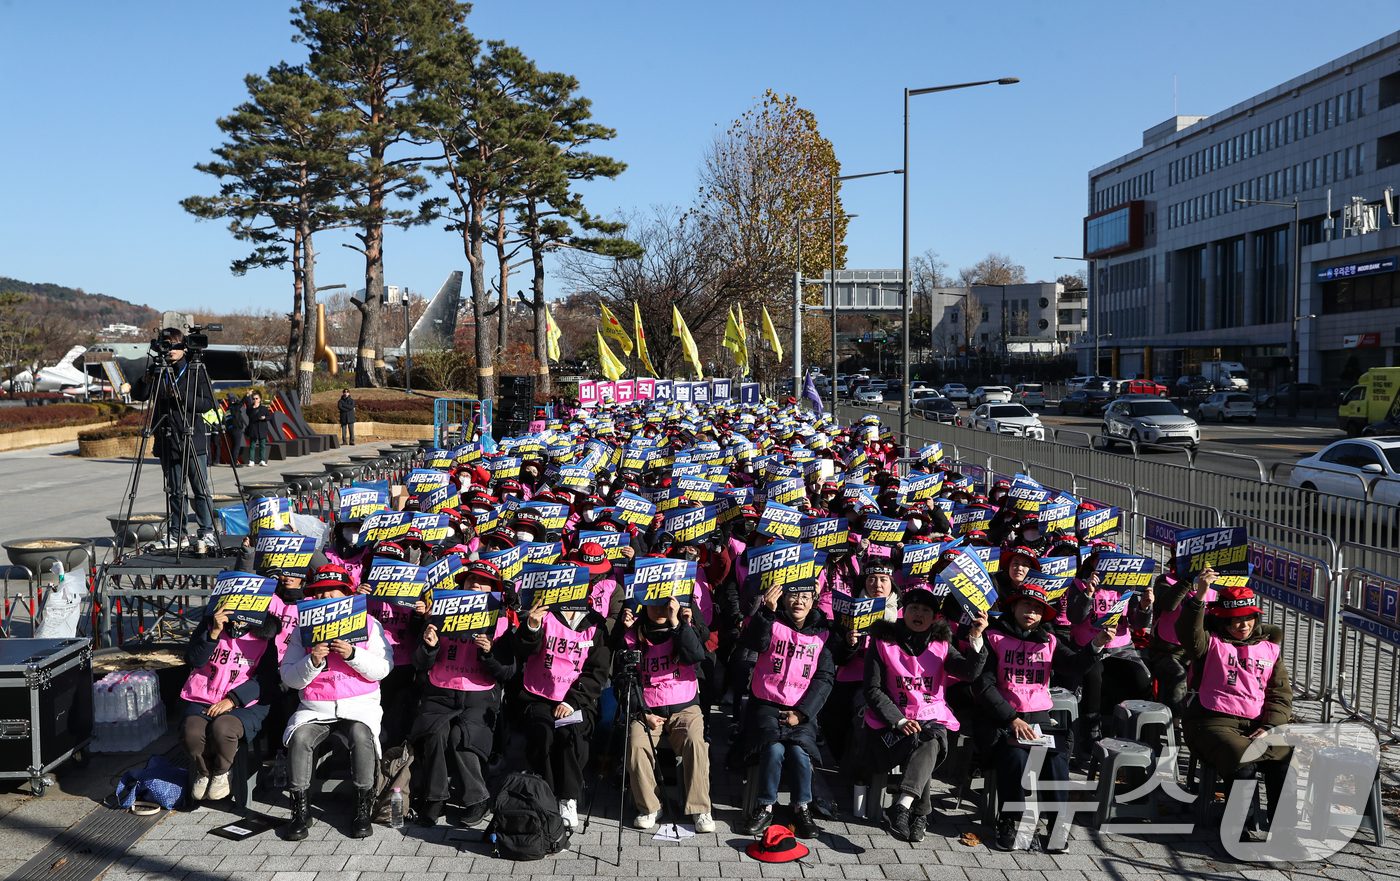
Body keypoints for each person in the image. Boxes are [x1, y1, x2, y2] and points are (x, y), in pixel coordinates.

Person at [974, 581, 1109, 852]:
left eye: (1038, 608)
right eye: (1026, 605)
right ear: (1013, 607)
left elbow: (1073, 665)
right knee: (1015, 757)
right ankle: (1011, 820)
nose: (1031, 612)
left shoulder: (1049, 639)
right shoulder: (993, 636)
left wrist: (1096, 644)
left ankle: (1057, 825)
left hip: (1039, 718)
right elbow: (983, 686)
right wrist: (1012, 719)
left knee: (1057, 757)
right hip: (1003, 719)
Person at [863, 586, 988, 842]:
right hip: (892, 722)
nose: (918, 614)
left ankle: (901, 806)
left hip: (931, 718)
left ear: (935, 618)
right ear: (903, 611)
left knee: (928, 739)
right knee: (925, 743)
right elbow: (872, 689)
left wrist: (976, 638)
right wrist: (898, 720)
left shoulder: (941, 644)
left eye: (926, 610)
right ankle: (919, 814)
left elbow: (968, 673)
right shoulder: (883, 641)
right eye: (913, 608)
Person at [279, 567, 394, 841]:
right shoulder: (302, 629)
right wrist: (313, 661)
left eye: (332, 594)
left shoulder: (369, 624)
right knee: (300, 738)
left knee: (361, 734)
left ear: (347, 596)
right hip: (314, 708)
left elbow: (383, 667)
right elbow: (289, 676)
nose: (325, 599)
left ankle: (362, 806)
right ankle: (300, 808)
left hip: (359, 705)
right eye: (319, 595)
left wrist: (353, 654)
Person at [1176, 578, 1295, 829]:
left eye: (1249, 617)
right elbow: (1188, 632)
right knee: (1242, 760)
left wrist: (1270, 726)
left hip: (1257, 724)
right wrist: (1200, 597)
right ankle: (1239, 830)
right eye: (1235, 619)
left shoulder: (1269, 649)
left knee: (1284, 759)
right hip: (1210, 722)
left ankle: (1283, 830)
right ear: (1222, 619)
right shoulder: (1209, 643)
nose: (1243, 625)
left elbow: (1280, 695)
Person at [410, 560, 515, 827]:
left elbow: (506, 672)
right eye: (470, 581)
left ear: (493, 590)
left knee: (461, 736)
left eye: (483, 583)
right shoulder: (439, 614)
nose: (475, 586)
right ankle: (434, 798)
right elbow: (420, 663)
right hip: (440, 690)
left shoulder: (501, 620)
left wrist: (489, 654)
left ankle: (477, 798)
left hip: (480, 694)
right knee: (435, 732)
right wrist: (429, 646)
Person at [735, 584, 835, 839]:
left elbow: (824, 679)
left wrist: (801, 714)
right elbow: (753, 641)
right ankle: (765, 806)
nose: (798, 602)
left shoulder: (823, 634)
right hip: (766, 704)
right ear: (783, 597)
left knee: (800, 752)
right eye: (793, 596)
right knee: (774, 748)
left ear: (813, 601)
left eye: (804, 597)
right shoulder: (773, 620)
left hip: (802, 710)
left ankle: (801, 807)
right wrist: (766, 612)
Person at [510, 592, 612, 828]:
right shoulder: (543, 614)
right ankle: (546, 794)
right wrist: (531, 627)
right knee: (543, 732)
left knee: (569, 735)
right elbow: (522, 651)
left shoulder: (596, 623)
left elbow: (597, 672)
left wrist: (572, 702)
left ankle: (568, 798)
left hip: (576, 699)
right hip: (539, 695)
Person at [613, 595, 714, 833]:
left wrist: (678, 624)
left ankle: (699, 808)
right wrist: (641, 711)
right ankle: (650, 806)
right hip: (648, 708)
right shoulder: (632, 635)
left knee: (695, 743)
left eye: (665, 603)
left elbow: (696, 655)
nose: (660, 608)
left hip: (684, 706)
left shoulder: (683, 626)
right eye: (654, 604)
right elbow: (623, 681)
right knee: (635, 745)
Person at [178, 598, 281, 801]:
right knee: (190, 731)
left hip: (247, 702)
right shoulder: (209, 625)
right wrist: (214, 633)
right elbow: (193, 660)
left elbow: (267, 678)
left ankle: (222, 771)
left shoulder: (264, 635)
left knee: (223, 729)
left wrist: (233, 700)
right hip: (204, 696)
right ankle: (204, 771)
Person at [127, 327, 216, 554]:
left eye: (175, 345)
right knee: (175, 491)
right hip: (167, 440)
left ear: (184, 346)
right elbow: (139, 395)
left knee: (200, 489)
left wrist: (181, 396)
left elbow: (208, 404)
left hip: (192, 440)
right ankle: (177, 534)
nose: (171, 350)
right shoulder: (158, 369)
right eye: (166, 345)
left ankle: (207, 532)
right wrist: (144, 379)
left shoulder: (195, 369)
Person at [246, 391, 273, 467]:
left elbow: (270, 417)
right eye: (253, 399)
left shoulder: (264, 408)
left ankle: (262, 460)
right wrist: (253, 408)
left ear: (260, 399)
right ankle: (251, 460)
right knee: (252, 445)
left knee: (262, 445)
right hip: (253, 428)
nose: (255, 400)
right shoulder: (250, 408)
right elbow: (248, 414)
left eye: (256, 398)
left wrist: (265, 418)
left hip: (262, 428)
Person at [224, 393, 248, 467]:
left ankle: (233, 462)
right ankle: (235, 463)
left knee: (234, 446)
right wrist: (246, 395)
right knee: (236, 446)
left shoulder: (228, 409)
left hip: (230, 430)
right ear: (233, 402)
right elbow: (241, 403)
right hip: (236, 429)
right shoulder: (234, 408)